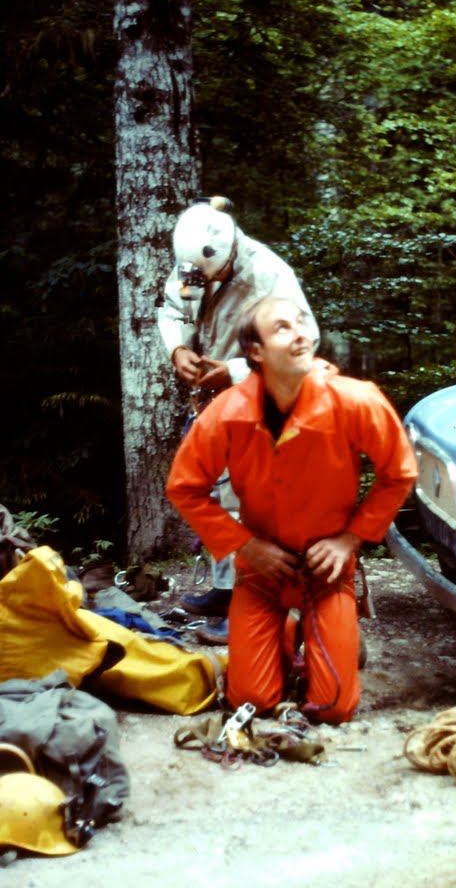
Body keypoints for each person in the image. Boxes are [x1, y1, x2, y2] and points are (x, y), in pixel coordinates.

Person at [166, 296, 417, 723]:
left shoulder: (355, 400)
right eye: (282, 328)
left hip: (327, 570)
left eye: (301, 322)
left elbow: (400, 471)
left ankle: (332, 633)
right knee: (252, 701)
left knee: (333, 708)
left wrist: (350, 539)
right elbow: (184, 487)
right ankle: (284, 631)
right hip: (261, 570)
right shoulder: (227, 412)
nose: (301, 333)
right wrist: (246, 546)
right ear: (256, 351)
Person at [157, 198, 319, 643]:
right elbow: (172, 308)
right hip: (212, 405)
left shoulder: (269, 276)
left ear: (229, 252)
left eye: (216, 276)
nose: (206, 283)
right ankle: (227, 589)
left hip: (259, 399)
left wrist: (231, 371)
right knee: (215, 495)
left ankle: (253, 608)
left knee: (249, 504)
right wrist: (178, 349)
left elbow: (305, 344)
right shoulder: (195, 264)